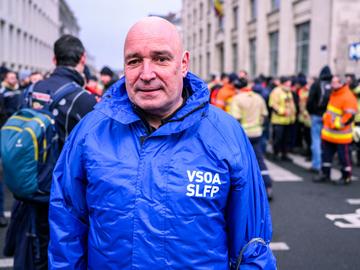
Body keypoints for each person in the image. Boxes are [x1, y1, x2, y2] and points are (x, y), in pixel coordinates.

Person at [48, 17, 276, 269]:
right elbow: (66, 233)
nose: (146, 74)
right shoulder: (89, 132)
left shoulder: (226, 133)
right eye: (134, 61)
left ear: (184, 63)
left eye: (160, 59)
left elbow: (251, 247)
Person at [3, 34, 97, 270]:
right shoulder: (83, 99)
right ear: (82, 58)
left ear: (54, 58)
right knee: (57, 255)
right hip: (62, 195)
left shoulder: (31, 90)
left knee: (30, 254)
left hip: (28, 186)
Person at [230, 77, 273, 200]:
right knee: (259, 160)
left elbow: (235, 120)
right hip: (256, 133)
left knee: (241, 162)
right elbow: (265, 116)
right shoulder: (258, 97)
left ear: (237, 88)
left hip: (243, 135)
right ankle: (267, 186)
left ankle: (246, 191)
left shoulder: (237, 99)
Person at [313, 75, 358, 185]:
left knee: (344, 158)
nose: (332, 84)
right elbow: (331, 111)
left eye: (335, 82)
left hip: (341, 135)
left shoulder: (348, 97)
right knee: (326, 156)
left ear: (342, 83)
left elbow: (350, 116)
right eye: (332, 82)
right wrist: (326, 118)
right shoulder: (334, 94)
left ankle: (346, 177)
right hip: (329, 133)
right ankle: (325, 174)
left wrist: (337, 124)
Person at [306, 66, 333, 173]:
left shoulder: (316, 84)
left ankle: (316, 164)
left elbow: (310, 100)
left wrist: (311, 111)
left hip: (316, 115)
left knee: (316, 141)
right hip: (329, 116)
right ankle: (326, 163)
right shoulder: (332, 85)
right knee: (326, 141)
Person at [269, 76, 297, 161]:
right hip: (278, 120)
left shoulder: (289, 92)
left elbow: (291, 105)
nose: (290, 84)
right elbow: (273, 105)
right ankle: (275, 154)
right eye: (288, 82)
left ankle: (284, 154)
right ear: (284, 83)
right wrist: (283, 112)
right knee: (278, 138)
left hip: (288, 120)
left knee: (286, 138)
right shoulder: (276, 91)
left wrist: (293, 114)